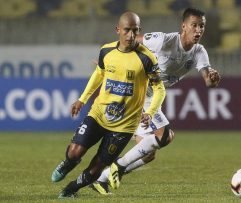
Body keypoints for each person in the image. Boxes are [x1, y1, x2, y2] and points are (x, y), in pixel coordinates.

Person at [92, 7, 221, 195]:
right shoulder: (164, 40)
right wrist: (113, 59)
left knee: (149, 153)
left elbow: (208, 81)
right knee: (164, 135)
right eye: (194, 25)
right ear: (183, 26)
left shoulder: (199, 52)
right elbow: (133, 39)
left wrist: (212, 80)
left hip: (153, 97)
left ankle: (101, 179)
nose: (198, 30)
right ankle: (117, 167)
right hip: (139, 91)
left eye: (202, 26)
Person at [50, 11, 166, 198]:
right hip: (99, 114)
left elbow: (160, 89)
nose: (130, 35)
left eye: (135, 31)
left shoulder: (147, 59)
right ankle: (68, 163)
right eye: (127, 30)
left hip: (124, 125)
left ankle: (72, 189)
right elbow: (99, 75)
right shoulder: (106, 51)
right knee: (74, 152)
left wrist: (151, 112)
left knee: (97, 166)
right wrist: (82, 99)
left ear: (139, 31)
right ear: (117, 30)